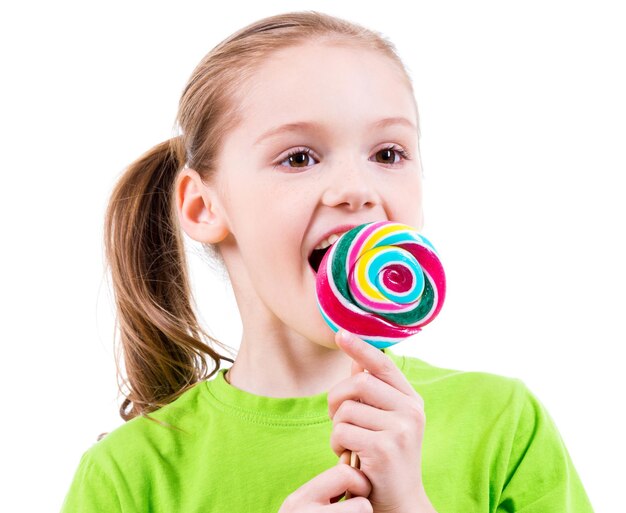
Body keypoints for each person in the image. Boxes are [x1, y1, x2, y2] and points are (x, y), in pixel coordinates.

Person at [60, 11, 594, 513]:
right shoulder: (129, 474)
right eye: (299, 157)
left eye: (388, 154)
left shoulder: (501, 421)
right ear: (204, 207)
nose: (357, 189)